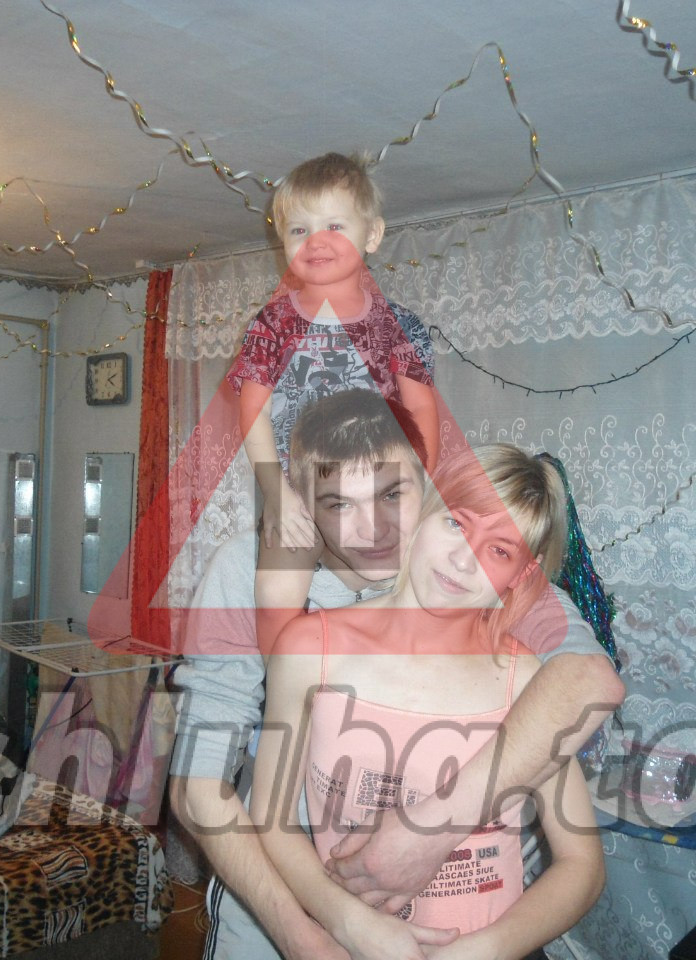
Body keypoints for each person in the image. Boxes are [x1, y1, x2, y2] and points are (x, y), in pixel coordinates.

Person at [169, 390, 624, 960]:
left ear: (427, 480)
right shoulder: (246, 570)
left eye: (393, 494)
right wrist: (303, 937)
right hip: (277, 882)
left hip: (463, 894)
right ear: (300, 500)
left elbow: (588, 680)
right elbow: (199, 785)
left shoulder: (469, 570)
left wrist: (427, 832)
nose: (375, 531)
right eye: (339, 503)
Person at [227, 152, 439, 631]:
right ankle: (285, 667)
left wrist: (420, 488)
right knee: (277, 586)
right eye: (299, 230)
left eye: (335, 226)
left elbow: (422, 410)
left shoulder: (399, 324)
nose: (316, 241)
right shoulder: (272, 324)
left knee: (429, 576)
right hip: (300, 490)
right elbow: (253, 414)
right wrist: (277, 494)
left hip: (377, 486)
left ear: (372, 235)